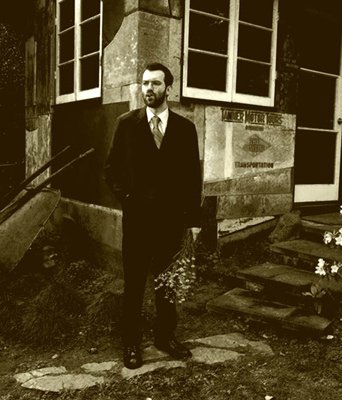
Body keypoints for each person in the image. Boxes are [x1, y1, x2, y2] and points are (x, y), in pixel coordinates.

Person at [105, 63, 202, 369]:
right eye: (145, 83)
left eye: (156, 83)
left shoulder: (185, 129)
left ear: (168, 88)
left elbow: (192, 177)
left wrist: (192, 221)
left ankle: (164, 337)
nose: (149, 88)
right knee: (134, 284)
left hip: (171, 223)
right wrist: (128, 199)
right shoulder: (126, 124)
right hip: (137, 223)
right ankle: (131, 343)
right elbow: (111, 169)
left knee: (167, 284)